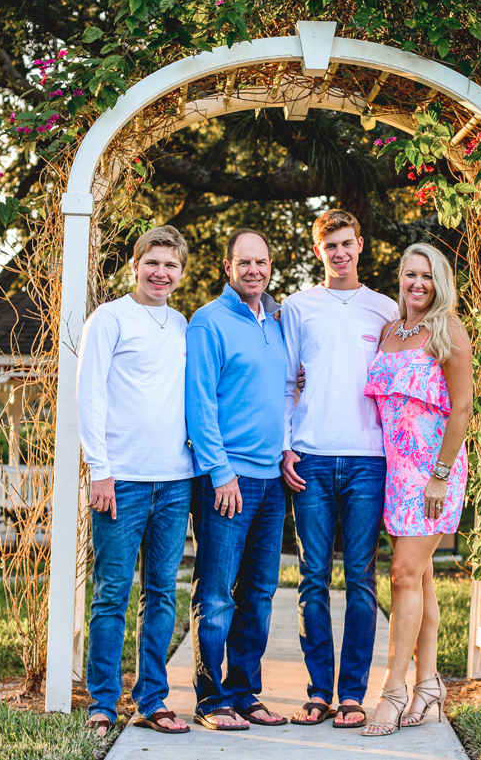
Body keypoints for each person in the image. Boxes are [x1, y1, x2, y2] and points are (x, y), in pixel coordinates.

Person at [280, 210, 399, 728]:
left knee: (361, 580)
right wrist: (286, 446)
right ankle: (317, 692)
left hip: (369, 460)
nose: (340, 253)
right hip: (310, 457)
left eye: (347, 244)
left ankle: (352, 693)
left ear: (361, 244)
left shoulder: (385, 309)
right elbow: (287, 383)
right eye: (330, 246)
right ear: (318, 251)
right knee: (311, 579)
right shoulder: (298, 307)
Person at [78, 226, 195, 737]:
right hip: (120, 480)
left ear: (181, 273)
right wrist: (98, 470)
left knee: (162, 594)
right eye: (153, 263)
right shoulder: (109, 318)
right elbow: (90, 396)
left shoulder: (182, 324)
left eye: (171, 266)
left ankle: (152, 699)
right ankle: (103, 703)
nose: (161, 273)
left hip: (175, 480)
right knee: (110, 594)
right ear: (135, 265)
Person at [360, 243, 473, 737]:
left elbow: (464, 409)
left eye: (427, 276)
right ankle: (428, 687)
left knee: (404, 574)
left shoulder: (448, 330)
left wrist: (440, 475)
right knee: (419, 578)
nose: (417, 284)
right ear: (400, 278)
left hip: (432, 474)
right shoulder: (390, 330)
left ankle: (393, 691)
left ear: (440, 281)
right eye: (410, 274)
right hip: (395, 471)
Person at [185, 228, 289, 731]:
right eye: (244, 262)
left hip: (272, 482)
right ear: (228, 267)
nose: (254, 270)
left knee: (260, 592)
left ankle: (246, 691)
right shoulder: (208, 322)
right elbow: (199, 404)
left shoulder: (276, 320)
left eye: (261, 262)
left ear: (271, 266)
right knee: (217, 593)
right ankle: (211, 699)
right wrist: (220, 472)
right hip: (228, 481)